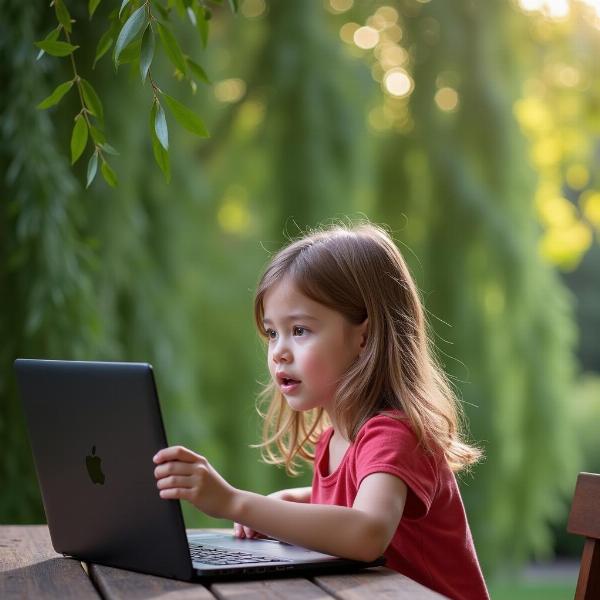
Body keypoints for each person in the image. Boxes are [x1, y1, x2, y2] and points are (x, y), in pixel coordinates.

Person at [153, 222, 490, 600]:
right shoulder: (335, 438)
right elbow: (352, 499)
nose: (279, 351)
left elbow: (366, 532)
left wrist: (235, 502)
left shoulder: (394, 433)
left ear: (364, 336)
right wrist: (290, 502)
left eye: (299, 330)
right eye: (271, 333)